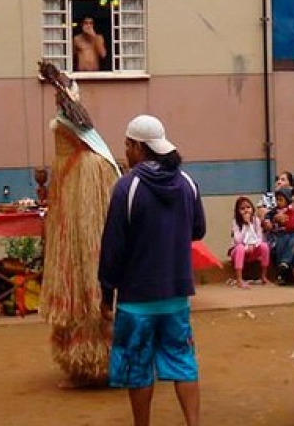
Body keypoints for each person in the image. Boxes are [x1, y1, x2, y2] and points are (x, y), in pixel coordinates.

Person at [99, 114, 206, 426]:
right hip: (176, 297)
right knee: (183, 362)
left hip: (136, 300)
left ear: (137, 147)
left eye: (127, 146)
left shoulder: (127, 187)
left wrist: (107, 294)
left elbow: (112, 248)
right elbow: (198, 230)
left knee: (138, 367)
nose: (125, 152)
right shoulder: (187, 183)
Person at [37, 60, 120, 387]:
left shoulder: (87, 158)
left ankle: (97, 358)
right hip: (71, 198)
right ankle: (90, 359)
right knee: (80, 271)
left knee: (87, 270)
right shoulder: (89, 151)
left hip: (78, 200)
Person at [263, 187, 294, 285]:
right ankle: (282, 270)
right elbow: (267, 217)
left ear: (287, 200)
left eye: (281, 200)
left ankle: (285, 264)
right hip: (280, 234)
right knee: (282, 243)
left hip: (293, 233)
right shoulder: (275, 211)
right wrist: (271, 220)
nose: (278, 202)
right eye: (277, 200)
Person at [230, 196, 270, 288]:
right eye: (242, 209)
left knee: (264, 246)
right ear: (238, 211)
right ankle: (239, 279)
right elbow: (238, 240)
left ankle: (263, 276)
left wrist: (252, 244)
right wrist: (245, 225)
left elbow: (260, 237)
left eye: (248, 207)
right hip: (239, 251)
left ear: (252, 208)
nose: (246, 210)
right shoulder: (236, 222)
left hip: (253, 249)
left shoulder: (256, 221)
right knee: (240, 248)